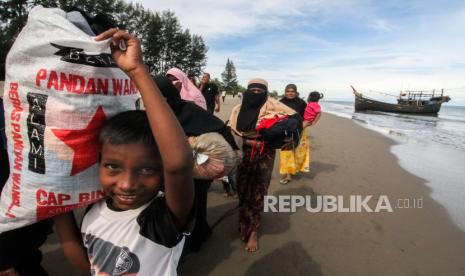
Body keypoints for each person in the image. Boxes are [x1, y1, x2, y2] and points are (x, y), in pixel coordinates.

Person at [57, 29, 195, 275]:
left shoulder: (162, 218)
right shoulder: (95, 210)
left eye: (147, 169)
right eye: (113, 166)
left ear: (163, 172)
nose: (128, 184)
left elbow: (179, 164)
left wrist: (137, 71)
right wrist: (56, 205)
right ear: (98, 163)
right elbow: (88, 263)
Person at [153, 76, 239, 253]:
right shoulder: (153, 112)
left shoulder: (189, 110)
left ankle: (196, 238)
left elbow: (220, 127)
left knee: (196, 204)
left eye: (160, 97)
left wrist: (234, 151)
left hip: (197, 167)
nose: (154, 102)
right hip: (169, 169)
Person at [228, 78, 296, 252]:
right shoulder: (237, 109)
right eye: (253, 90)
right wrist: (249, 143)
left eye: (260, 91)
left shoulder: (273, 106)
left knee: (259, 191)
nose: (256, 94)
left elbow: (295, 118)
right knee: (242, 190)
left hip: (265, 153)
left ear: (265, 92)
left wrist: (277, 137)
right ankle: (244, 225)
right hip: (243, 152)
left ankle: (254, 232)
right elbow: (231, 133)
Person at [278, 84, 309, 184]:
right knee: (286, 151)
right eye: (288, 91)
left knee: (297, 152)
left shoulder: (302, 103)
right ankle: (288, 174)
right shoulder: (280, 103)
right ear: (285, 92)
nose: (290, 93)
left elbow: (311, 115)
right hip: (285, 131)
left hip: (299, 130)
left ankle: (293, 169)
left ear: (296, 92)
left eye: (292, 91)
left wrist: (306, 124)